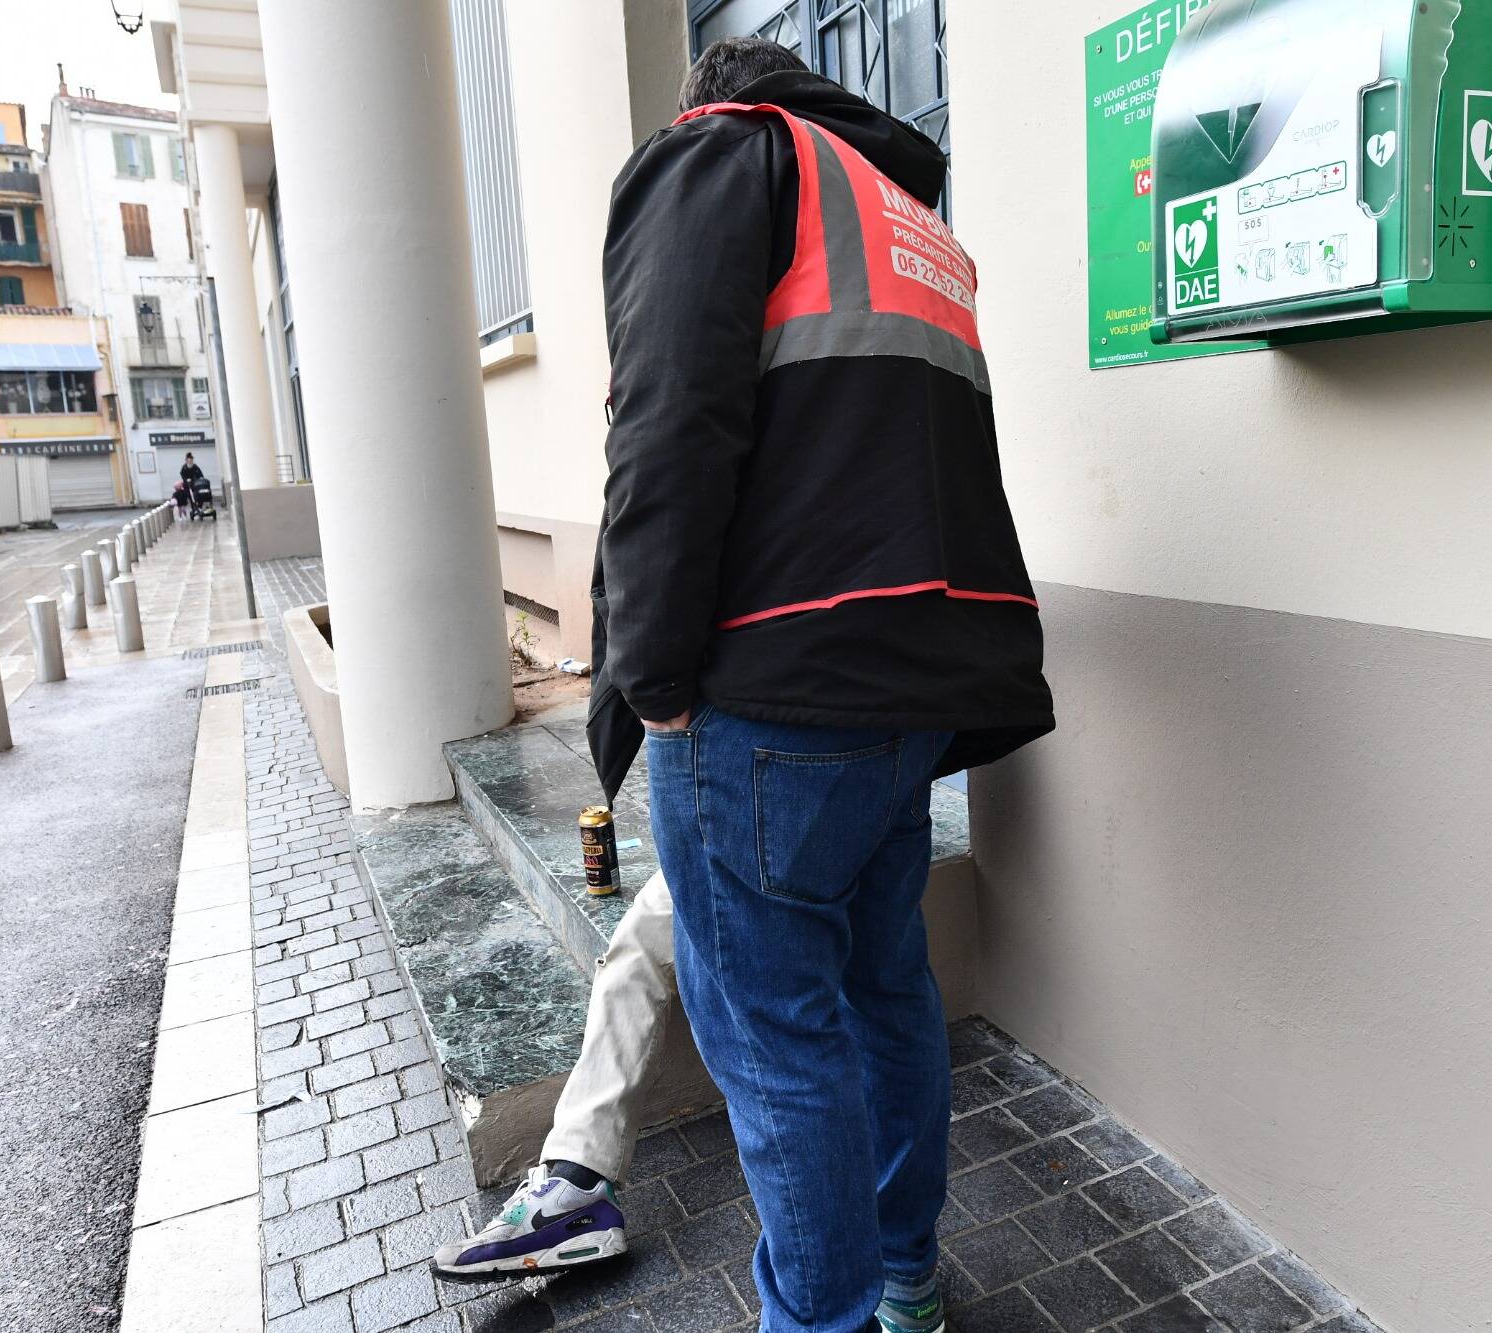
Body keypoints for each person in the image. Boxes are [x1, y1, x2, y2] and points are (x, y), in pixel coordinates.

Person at [439, 38, 1051, 1333]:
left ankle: (822, 1318)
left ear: (708, 99)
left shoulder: (722, 156)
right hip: (910, 684)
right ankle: (905, 1283)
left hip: (771, 690)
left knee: (778, 1044)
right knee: (884, 996)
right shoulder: (901, 212)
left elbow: (667, 419)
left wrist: (651, 670)